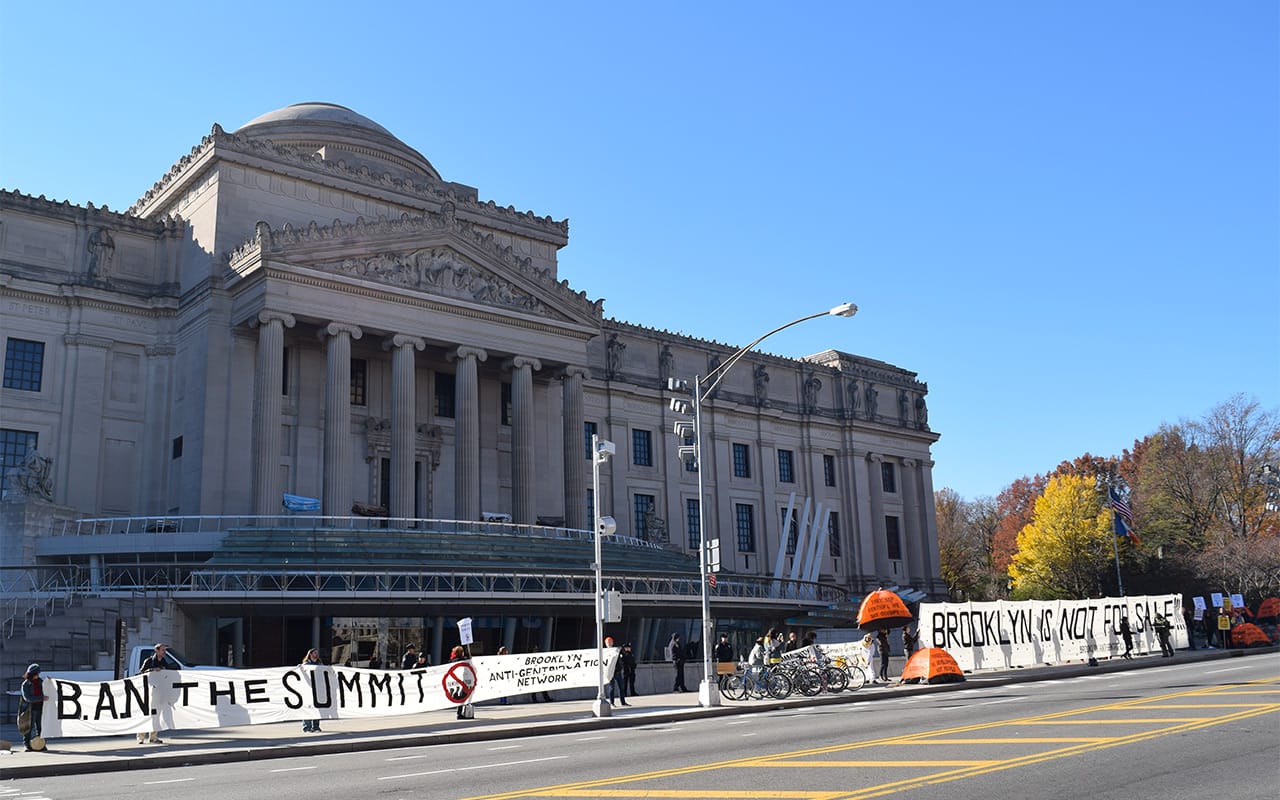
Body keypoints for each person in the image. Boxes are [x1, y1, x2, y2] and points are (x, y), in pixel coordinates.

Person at [136, 643, 175, 743]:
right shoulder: (149, 661)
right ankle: (141, 737)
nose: (164, 652)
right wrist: (152, 670)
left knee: (156, 714)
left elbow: (169, 674)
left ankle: (153, 737)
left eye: (165, 650)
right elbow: (141, 673)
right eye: (162, 650)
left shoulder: (164, 661)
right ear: (156, 651)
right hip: (149, 692)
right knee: (146, 714)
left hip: (159, 692)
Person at [19, 663, 44, 752]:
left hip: (40, 708)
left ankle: (40, 744)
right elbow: (28, 698)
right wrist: (42, 698)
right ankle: (27, 745)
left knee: (40, 728)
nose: (38, 675)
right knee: (28, 728)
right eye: (37, 673)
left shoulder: (40, 681)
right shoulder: (25, 684)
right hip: (29, 709)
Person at [299, 649, 323, 732]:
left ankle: (316, 726)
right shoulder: (306, 664)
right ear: (310, 654)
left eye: (317, 653)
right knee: (308, 707)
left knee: (317, 708)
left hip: (318, 689)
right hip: (308, 689)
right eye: (315, 653)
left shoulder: (320, 664)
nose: (316, 654)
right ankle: (307, 727)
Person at [604, 637, 629, 706]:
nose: (609, 643)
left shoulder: (616, 650)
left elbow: (622, 656)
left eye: (610, 642)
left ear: (612, 642)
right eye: (608, 642)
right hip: (611, 672)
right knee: (612, 687)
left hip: (617, 671)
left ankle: (623, 702)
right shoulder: (605, 652)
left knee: (621, 687)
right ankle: (612, 702)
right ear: (606, 644)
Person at [449, 645, 471, 719]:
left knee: (460, 696)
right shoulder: (462, 660)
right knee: (463, 696)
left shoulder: (453, 660)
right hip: (462, 681)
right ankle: (460, 713)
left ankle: (460, 712)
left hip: (455, 681)